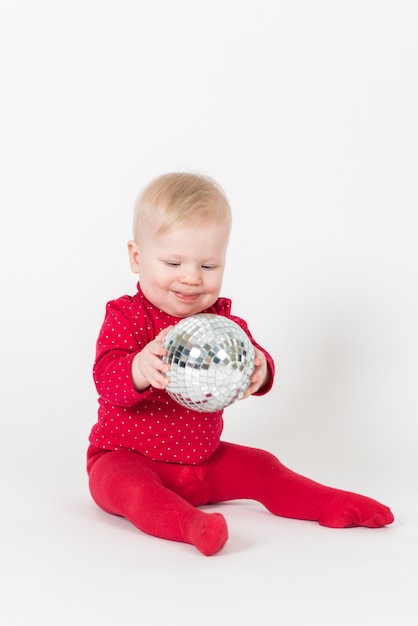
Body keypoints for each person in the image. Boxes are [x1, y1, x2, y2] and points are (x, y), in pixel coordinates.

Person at [87, 172, 394, 556]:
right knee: (132, 490)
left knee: (264, 466)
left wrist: (260, 370)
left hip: (202, 464)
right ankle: (190, 525)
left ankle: (329, 503)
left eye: (208, 266)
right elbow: (105, 377)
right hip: (126, 458)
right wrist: (138, 368)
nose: (190, 278)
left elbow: (255, 357)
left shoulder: (222, 324)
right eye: (173, 262)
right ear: (136, 257)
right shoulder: (127, 317)